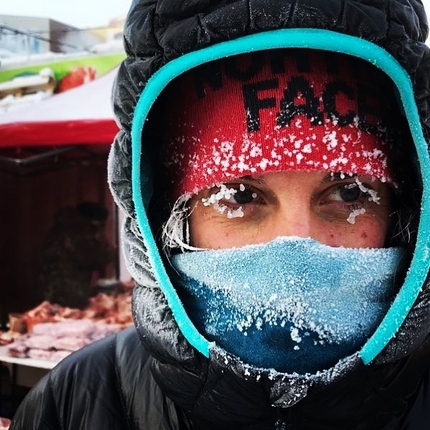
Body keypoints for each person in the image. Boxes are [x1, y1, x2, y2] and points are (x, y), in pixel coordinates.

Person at [9, 0, 430, 429]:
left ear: (406, 211)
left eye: (348, 192)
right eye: (239, 196)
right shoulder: (76, 402)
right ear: (171, 220)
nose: (297, 244)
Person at [37, 201, 116, 308]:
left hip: (52, 287)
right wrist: (116, 251)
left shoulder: (64, 227)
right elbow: (96, 258)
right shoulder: (79, 232)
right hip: (66, 290)